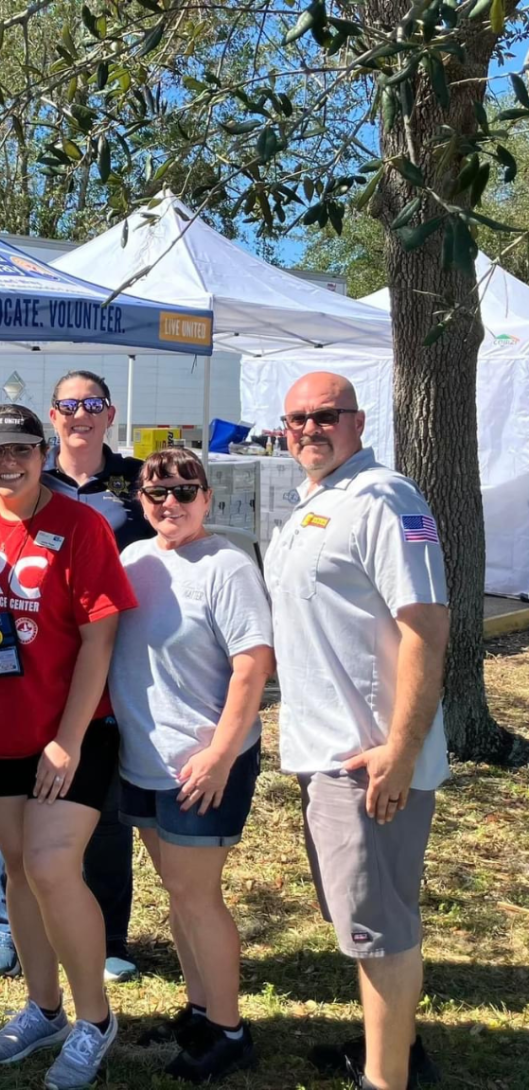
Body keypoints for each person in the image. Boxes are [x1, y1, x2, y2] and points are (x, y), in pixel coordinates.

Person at [0, 403, 138, 1090]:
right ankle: (43, 1007)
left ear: (42, 454)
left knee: (49, 865)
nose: (8, 463)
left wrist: (67, 740)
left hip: (72, 732)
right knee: (18, 867)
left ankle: (94, 1020)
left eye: (21, 450)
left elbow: (102, 635)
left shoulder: (80, 527)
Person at [264, 372, 449, 1090]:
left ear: (358, 420)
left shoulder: (385, 497)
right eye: (297, 419)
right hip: (326, 758)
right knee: (362, 920)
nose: (310, 428)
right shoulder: (319, 500)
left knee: (381, 927)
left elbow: (427, 628)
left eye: (326, 415)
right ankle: (393, 1049)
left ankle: (387, 1078)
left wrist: (400, 752)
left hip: (368, 760)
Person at [109, 448, 273, 1082]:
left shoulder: (227, 566)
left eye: (184, 491)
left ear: (207, 497)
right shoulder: (135, 560)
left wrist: (220, 755)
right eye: (156, 494)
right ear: (141, 502)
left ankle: (229, 1031)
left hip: (202, 765)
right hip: (145, 760)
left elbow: (253, 666)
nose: (169, 503)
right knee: (179, 895)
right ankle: (201, 1009)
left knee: (198, 898)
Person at [0, 370, 152, 984]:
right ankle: (6, 926)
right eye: (67, 405)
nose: (80, 414)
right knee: (19, 814)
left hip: (113, 664)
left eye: (92, 404)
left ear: (109, 414)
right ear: (51, 419)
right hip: (26, 672)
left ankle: (107, 933)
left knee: (103, 809)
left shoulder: (139, 484)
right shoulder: (26, 473)